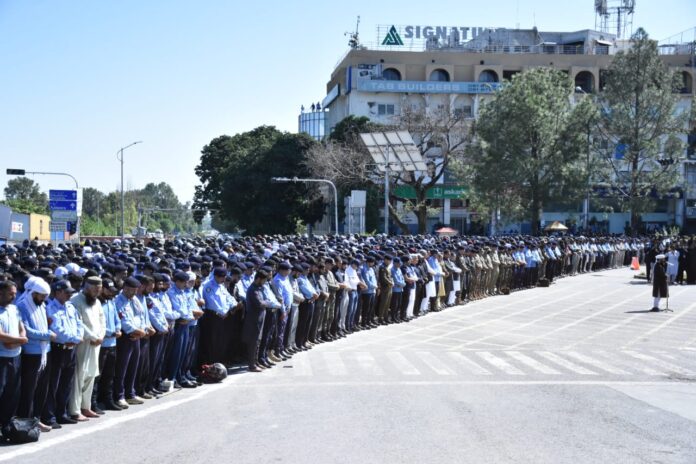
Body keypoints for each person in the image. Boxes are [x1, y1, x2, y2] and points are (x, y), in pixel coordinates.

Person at [43, 280, 83, 428]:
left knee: (66, 384)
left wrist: (77, 338)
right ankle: (49, 416)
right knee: (53, 384)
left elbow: (79, 324)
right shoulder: (50, 308)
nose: (69, 295)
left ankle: (62, 413)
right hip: (58, 349)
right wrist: (72, 339)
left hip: (71, 350)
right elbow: (56, 329)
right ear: (58, 292)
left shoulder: (70, 307)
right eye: (67, 292)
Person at [16, 277, 53, 432]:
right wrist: (47, 335)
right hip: (31, 355)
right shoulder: (22, 306)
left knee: (41, 389)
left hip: (44, 353)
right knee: (29, 390)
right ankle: (26, 422)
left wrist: (48, 335)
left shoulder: (42, 305)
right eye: (41, 295)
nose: (44, 298)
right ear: (33, 293)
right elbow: (27, 331)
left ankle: (36, 419)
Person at [69, 276, 105, 421]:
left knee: (91, 376)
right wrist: (92, 337)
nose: (96, 292)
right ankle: (75, 410)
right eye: (94, 289)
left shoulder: (97, 302)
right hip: (83, 343)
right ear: (86, 287)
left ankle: (86, 406)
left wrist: (101, 336)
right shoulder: (75, 300)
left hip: (96, 343)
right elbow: (78, 323)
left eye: (99, 290)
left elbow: (102, 321)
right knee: (79, 376)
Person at [0, 280, 27, 433]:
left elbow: (21, 328)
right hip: (2, 358)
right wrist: (19, 340)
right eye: (11, 294)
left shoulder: (14, 309)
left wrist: (18, 341)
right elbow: (1, 336)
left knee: (12, 394)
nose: (14, 297)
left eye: (15, 294)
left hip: (15, 357)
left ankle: (6, 426)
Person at [243, 270, 280, 372]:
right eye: (263, 280)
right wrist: (269, 303)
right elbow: (260, 303)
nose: (264, 282)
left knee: (257, 342)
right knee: (253, 343)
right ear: (258, 279)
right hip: (253, 320)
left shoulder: (259, 288)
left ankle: (255, 362)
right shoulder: (253, 289)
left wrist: (267, 302)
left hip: (260, 319)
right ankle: (252, 365)